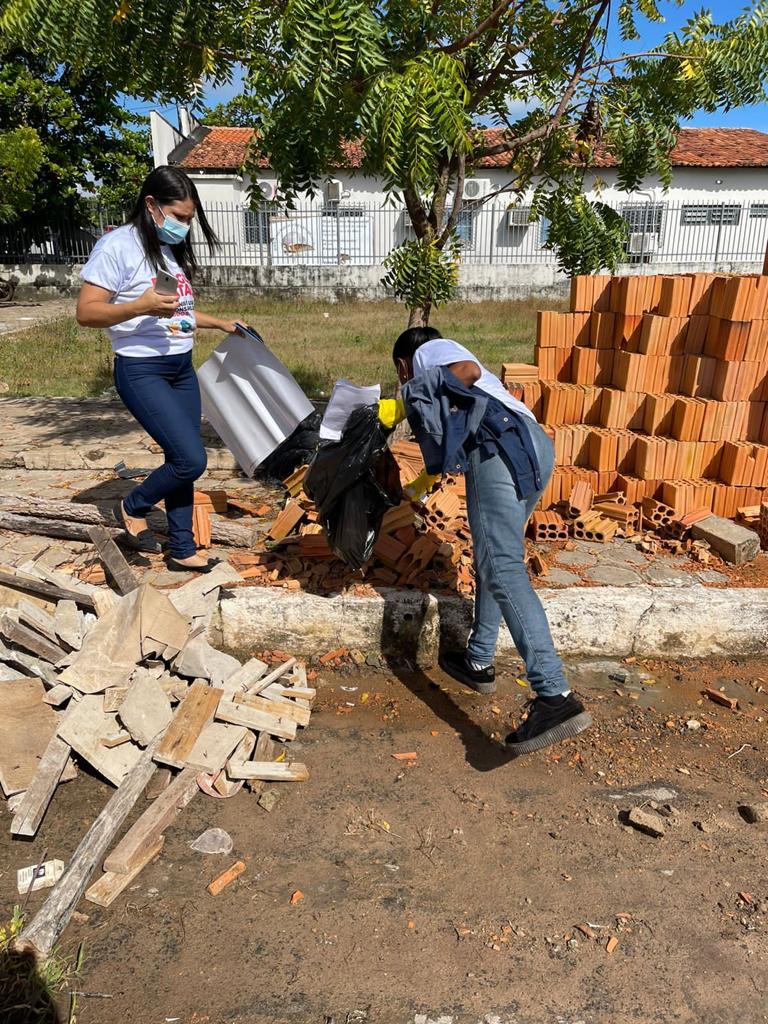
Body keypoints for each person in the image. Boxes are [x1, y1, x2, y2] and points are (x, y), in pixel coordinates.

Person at [388, 326, 592, 756]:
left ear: (403, 364)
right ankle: (479, 659)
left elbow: (466, 370)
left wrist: (405, 399)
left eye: (402, 375)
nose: (406, 379)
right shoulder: (449, 360)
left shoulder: (428, 352)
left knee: (502, 567)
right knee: (491, 560)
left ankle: (554, 695)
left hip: (498, 447)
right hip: (531, 446)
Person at [76, 165, 241, 573]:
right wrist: (140, 306)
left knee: (179, 458)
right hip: (141, 370)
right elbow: (86, 312)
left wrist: (221, 323)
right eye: (180, 216)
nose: (185, 225)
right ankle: (133, 504)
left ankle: (182, 548)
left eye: (189, 218)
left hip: (180, 368)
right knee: (191, 459)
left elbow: (177, 312)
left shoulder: (166, 250)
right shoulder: (117, 246)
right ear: (151, 205)